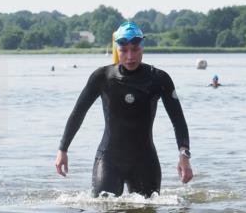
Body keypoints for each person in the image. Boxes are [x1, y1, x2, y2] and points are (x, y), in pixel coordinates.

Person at [55, 21, 192, 196]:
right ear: (117, 50)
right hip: (109, 160)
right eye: (124, 50)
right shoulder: (102, 77)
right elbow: (78, 112)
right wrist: (63, 149)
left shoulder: (159, 79)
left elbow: (178, 120)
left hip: (144, 161)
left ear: (142, 47)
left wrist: (184, 156)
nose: (130, 56)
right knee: (105, 211)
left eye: (135, 49)